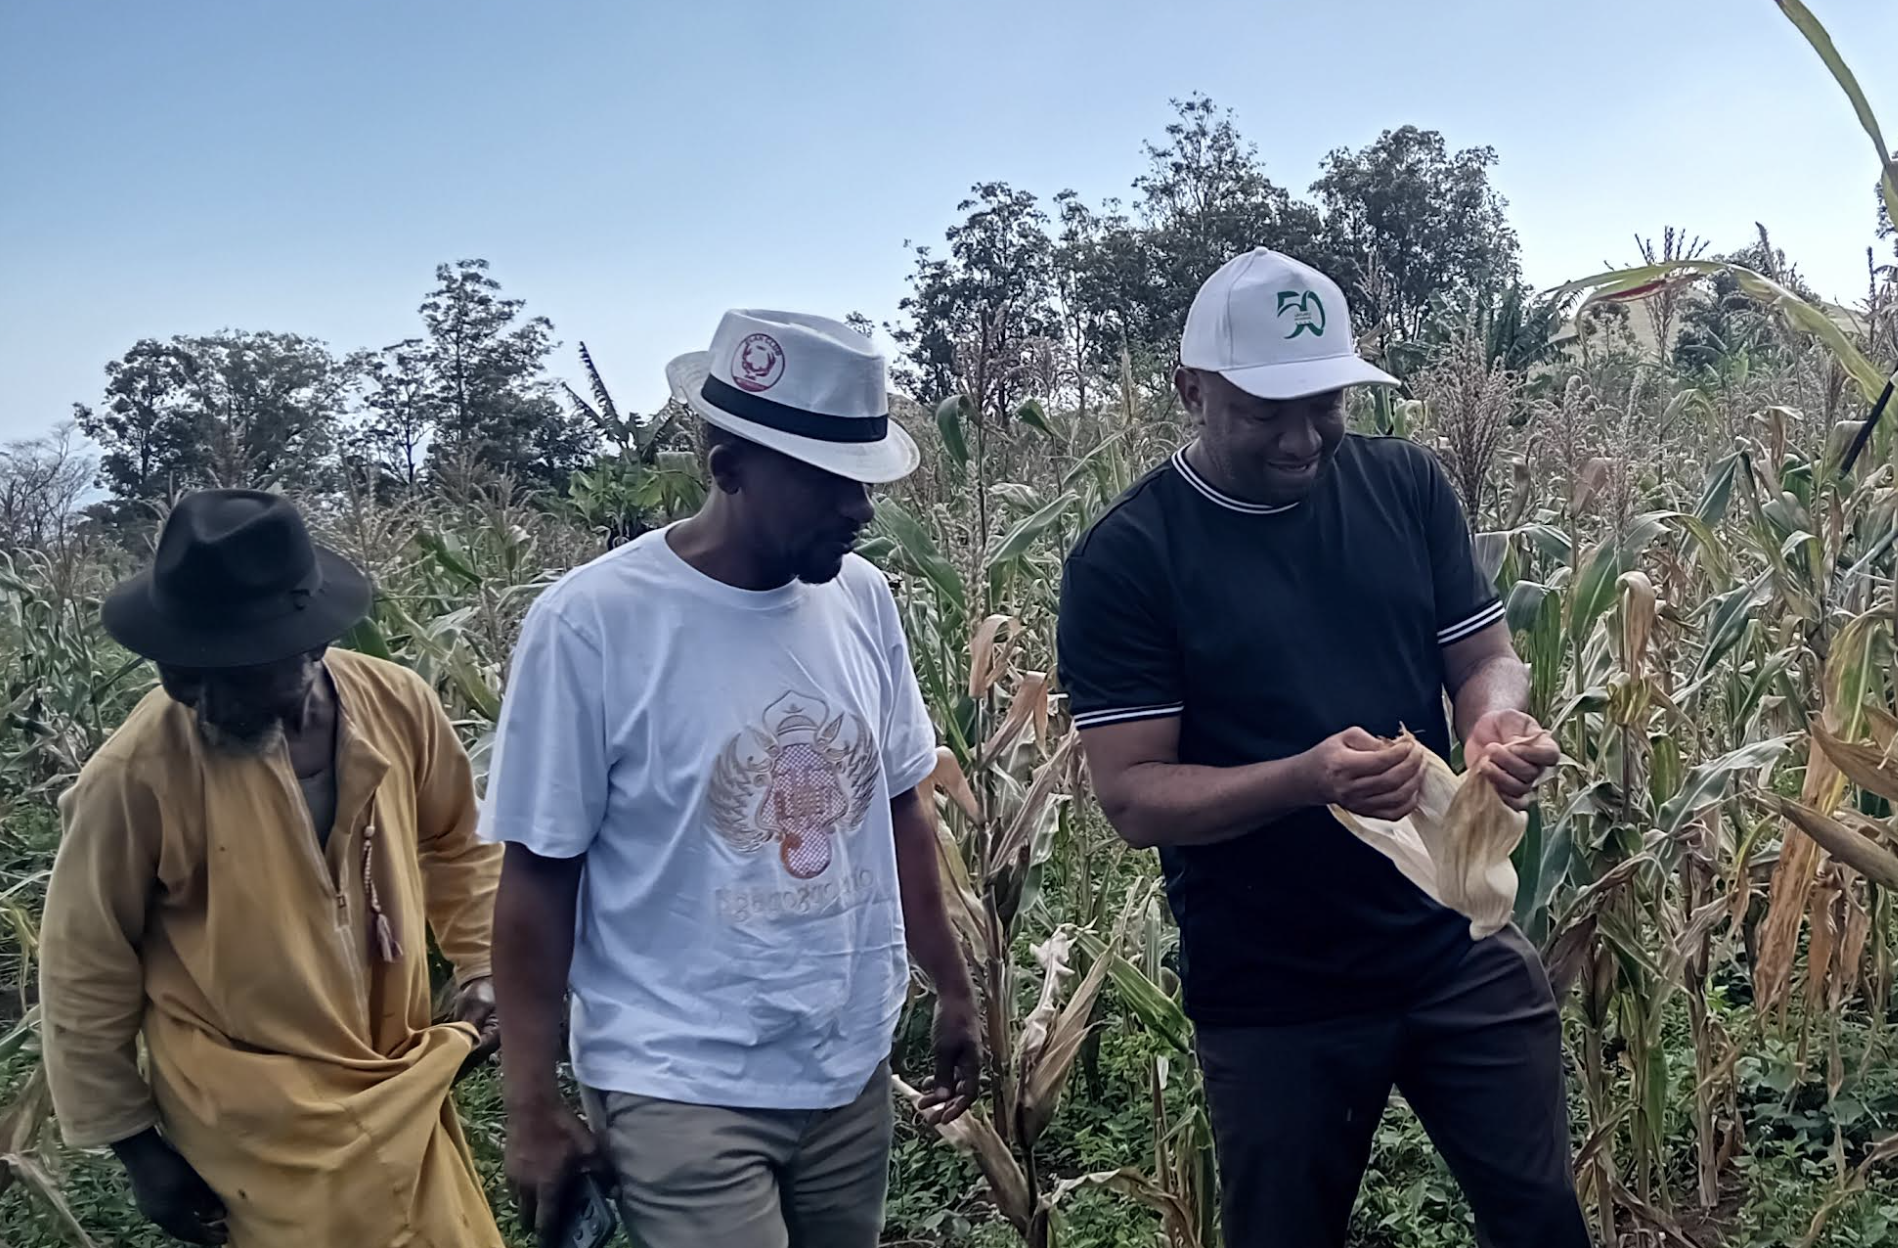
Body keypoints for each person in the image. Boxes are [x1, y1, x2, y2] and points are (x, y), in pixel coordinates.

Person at [1057, 247, 1590, 1247]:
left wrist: (1493, 720)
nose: (1303, 439)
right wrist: (1306, 781)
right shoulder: (1129, 559)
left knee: (1543, 1220)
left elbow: (1487, 656)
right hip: (1275, 990)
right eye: (1266, 412)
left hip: (1455, 942)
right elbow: (1132, 797)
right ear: (1190, 390)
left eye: (1326, 405)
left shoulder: (1403, 484)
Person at [484, 308, 980, 1248]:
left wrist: (951, 986)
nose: (859, 508)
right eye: (827, 480)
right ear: (727, 465)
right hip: (679, 1079)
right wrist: (531, 1104)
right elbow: (539, 876)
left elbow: (901, 809)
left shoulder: (862, 599)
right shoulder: (594, 625)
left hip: (847, 1064)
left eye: (863, 480)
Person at [39, 489, 506, 1247]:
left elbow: (458, 839)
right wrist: (136, 1148)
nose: (204, 699)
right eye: (181, 672)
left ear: (311, 649)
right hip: (250, 1117)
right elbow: (84, 962)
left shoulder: (397, 705)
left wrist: (483, 963)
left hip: (400, 1072)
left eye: (230, 672)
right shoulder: (132, 777)